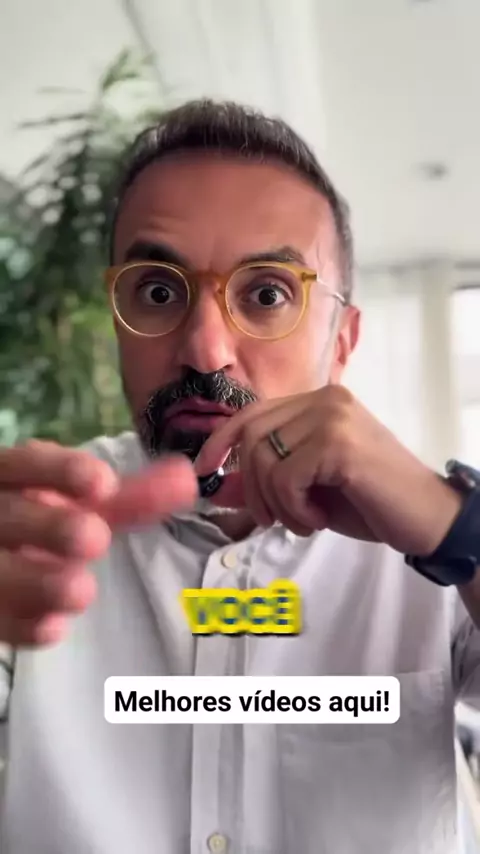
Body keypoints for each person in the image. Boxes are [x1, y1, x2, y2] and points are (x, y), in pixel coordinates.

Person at [0, 99, 479, 854]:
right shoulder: (37, 533)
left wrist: (459, 535)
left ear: (342, 340)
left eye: (267, 294)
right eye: (159, 291)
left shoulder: (435, 542)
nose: (205, 349)